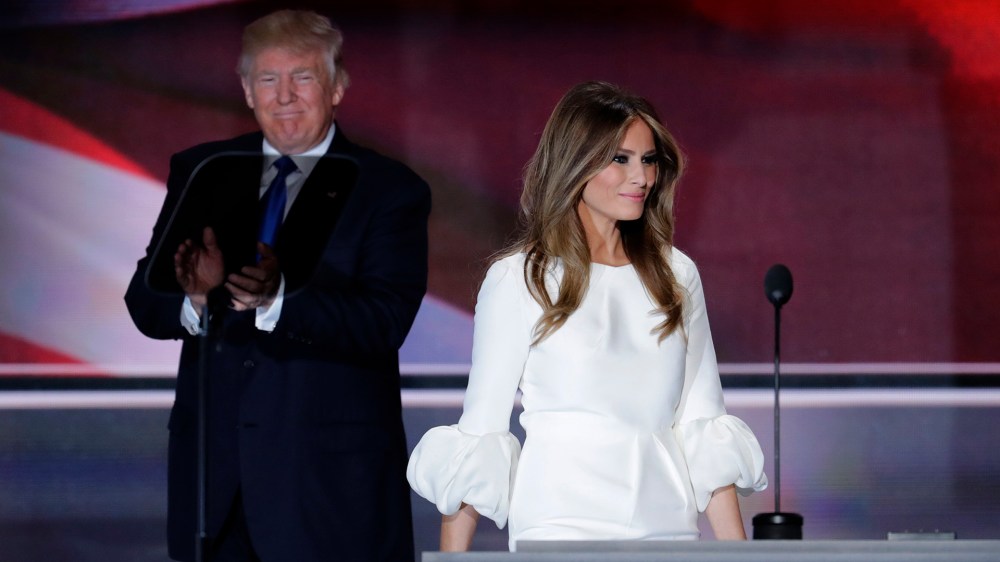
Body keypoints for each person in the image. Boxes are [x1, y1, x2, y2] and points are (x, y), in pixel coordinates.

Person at [407, 81, 767, 551]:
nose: (640, 177)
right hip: (560, 530)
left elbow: (704, 423)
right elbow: (482, 432)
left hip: (668, 531)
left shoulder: (676, 275)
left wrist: (739, 557)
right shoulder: (520, 279)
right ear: (575, 163)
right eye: (620, 159)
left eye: (649, 159)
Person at [125, 10, 429, 562]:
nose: (285, 95)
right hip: (214, 492)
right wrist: (195, 297)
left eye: (303, 77)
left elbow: (384, 322)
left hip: (329, 495)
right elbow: (145, 302)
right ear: (246, 89)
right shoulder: (203, 169)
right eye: (268, 79)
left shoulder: (388, 188)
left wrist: (279, 300)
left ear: (337, 86)